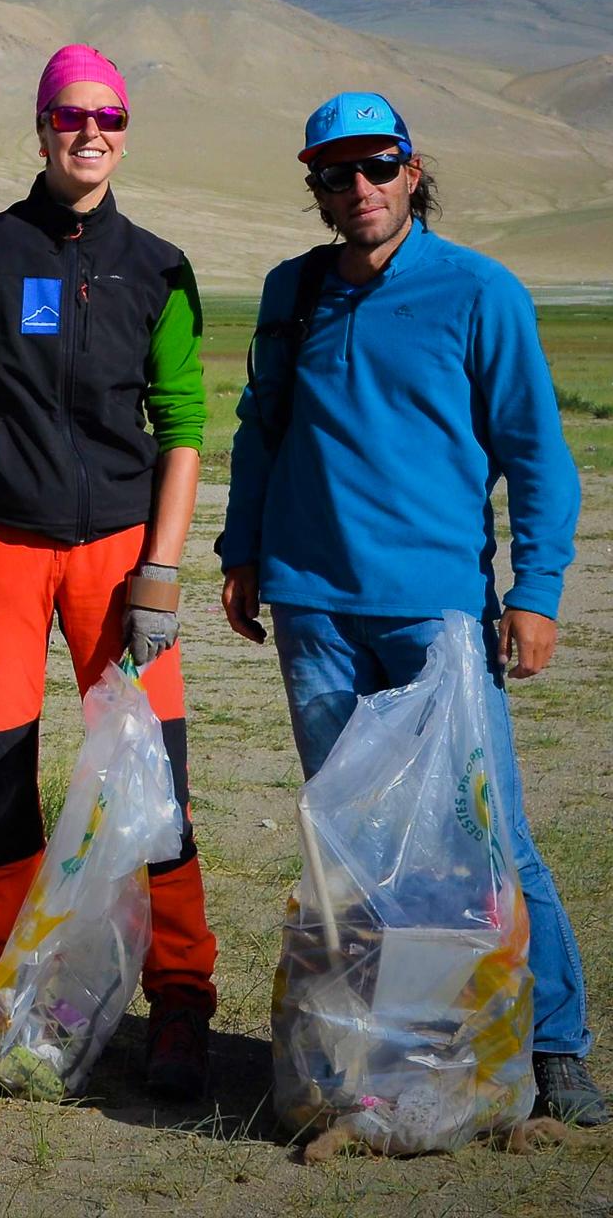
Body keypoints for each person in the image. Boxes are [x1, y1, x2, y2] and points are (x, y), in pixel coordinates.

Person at [219, 91, 604, 1126]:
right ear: (314, 186)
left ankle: (554, 1040)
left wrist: (531, 593)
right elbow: (262, 430)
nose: (359, 190)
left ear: (412, 170)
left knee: (486, 835)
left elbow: (534, 456)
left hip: (434, 614)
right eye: (335, 174)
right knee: (353, 839)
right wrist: (240, 551)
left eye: (377, 167)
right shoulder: (290, 292)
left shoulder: (478, 293)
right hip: (311, 609)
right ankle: (383, 1044)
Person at [0, 45, 219, 1100]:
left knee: (153, 785)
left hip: (120, 557)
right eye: (69, 115)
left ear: (124, 132)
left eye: (109, 116)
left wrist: (161, 574)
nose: (90, 131)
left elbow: (180, 427)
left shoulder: (157, 269)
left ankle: (177, 999)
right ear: (38, 129)